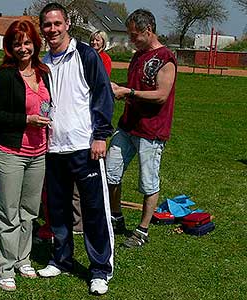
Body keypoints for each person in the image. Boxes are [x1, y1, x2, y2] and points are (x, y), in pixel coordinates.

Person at [37, 3, 114, 296]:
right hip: (53, 148)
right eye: (47, 25)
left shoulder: (86, 55)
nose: (52, 29)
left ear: (67, 24)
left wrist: (101, 135)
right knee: (57, 210)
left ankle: (100, 270)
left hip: (85, 146)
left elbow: (103, 95)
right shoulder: (43, 62)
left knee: (94, 211)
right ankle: (61, 259)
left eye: (57, 23)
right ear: (42, 28)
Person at [0, 19, 51, 292]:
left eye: (27, 43)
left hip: (39, 153)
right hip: (11, 153)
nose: (23, 48)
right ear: (10, 47)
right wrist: (26, 120)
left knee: (29, 212)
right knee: (8, 214)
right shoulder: (4, 76)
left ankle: (23, 259)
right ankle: (4, 267)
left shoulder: (44, 72)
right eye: (17, 44)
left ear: (36, 43)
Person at [106, 9, 177, 248]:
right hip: (128, 125)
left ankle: (142, 231)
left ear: (148, 31)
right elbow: (136, 87)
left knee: (148, 182)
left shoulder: (166, 57)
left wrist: (129, 92)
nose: (131, 40)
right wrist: (121, 87)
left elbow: (161, 95)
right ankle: (116, 217)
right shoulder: (137, 56)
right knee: (110, 172)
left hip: (151, 130)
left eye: (135, 35)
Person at [72, 30, 114, 235]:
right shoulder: (82, 56)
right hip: (76, 130)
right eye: (92, 39)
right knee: (74, 185)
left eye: (98, 39)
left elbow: (99, 90)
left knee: (89, 182)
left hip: (90, 126)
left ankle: (91, 222)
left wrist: (100, 134)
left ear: (104, 43)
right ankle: (77, 221)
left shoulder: (99, 59)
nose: (94, 42)